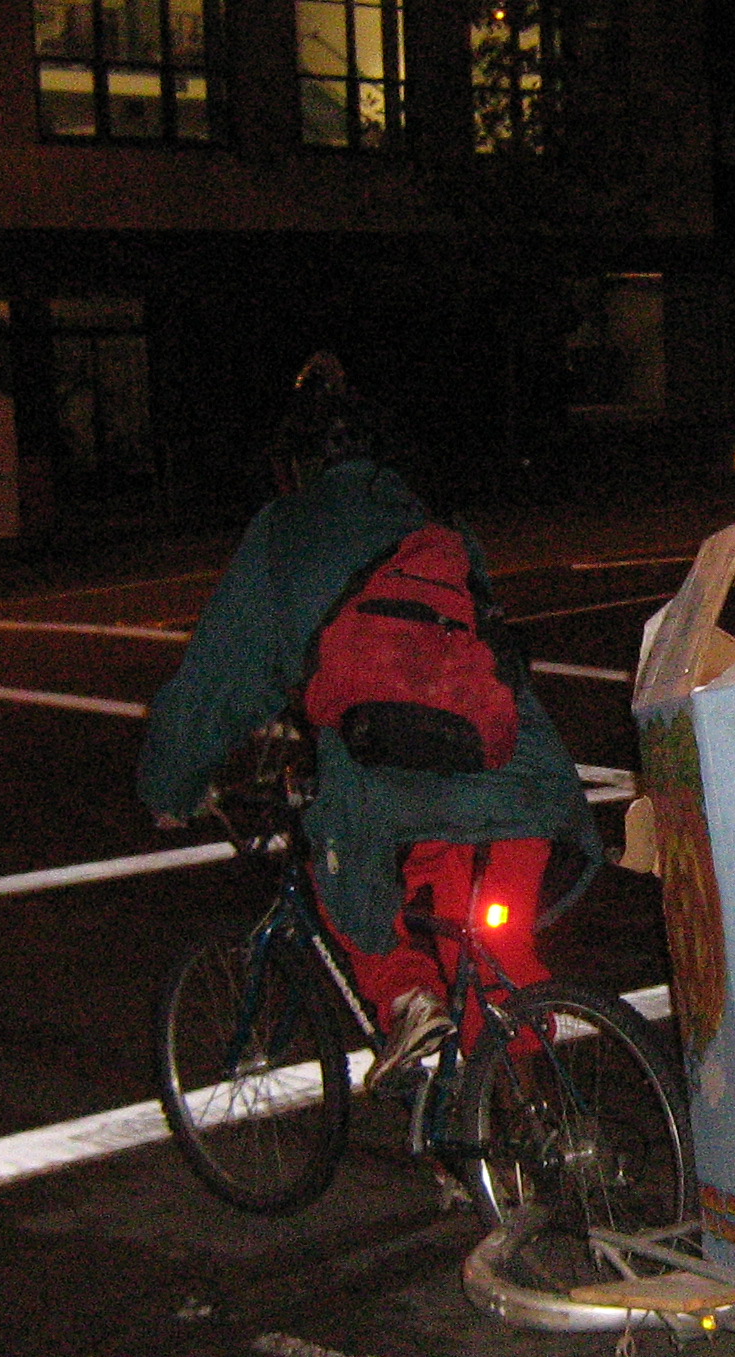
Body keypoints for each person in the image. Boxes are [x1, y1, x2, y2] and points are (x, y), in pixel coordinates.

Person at [138, 358, 602, 1089]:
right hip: (522, 775)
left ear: (294, 465)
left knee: (349, 878)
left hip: (390, 794)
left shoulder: (284, 532)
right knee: (493, 960)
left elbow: (217, 683)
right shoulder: (432, 522)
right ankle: (542, 1126)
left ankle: (409, 1001)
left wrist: (170, 787)